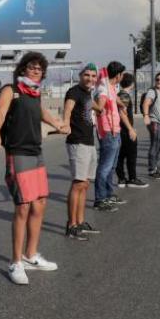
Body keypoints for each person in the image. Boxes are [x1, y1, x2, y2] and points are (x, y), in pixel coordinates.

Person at [0, 52, 69, 285]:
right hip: (18, 152)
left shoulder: (34, 92)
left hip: (36, 151)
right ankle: (15, 262)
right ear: (23, 68)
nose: (36, 71)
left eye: (39, 69)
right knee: (23, 206)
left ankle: (31, 255)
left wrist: (57, 123)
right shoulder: (11, 90)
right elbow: (0, 113)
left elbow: (41, 112)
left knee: (40, 203)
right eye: (32, 67)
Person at [61, 63, 100, 241]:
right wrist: (65, 123)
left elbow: (93, 106)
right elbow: (68, 109)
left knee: (85, 184)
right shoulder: (74, 92)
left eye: (93, 76)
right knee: (78, 184)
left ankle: (80, 221)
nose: (90, 78)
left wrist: (102, 108)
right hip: (77, 142)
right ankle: (71, 225)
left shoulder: (87, 94)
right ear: (80, 76)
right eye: (87, 75)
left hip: (89, 142)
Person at [92, 61, 133, 212]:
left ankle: (108, 194)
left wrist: (121, 104)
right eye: (122, 74)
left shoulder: (111, 87)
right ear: (118, 75)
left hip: (115, 131)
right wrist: (99, 108)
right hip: (108, 132)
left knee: (112, 167)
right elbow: (100, 104)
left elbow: (114, 98)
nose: (123, 77)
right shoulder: (103, 88)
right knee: (105, 167)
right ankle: (100, 199)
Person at [116, 72, 149, 189]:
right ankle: (132, 179)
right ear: (132, 84)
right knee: (131, 154)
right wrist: (130, 129)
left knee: (121, 155)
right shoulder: (124, 95)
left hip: (120, 129)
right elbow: (122, 113)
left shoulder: (119, 94)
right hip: (125, 130)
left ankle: (121, 179)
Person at [141, 72, 160, 180]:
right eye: (157, 79)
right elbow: (146, 103)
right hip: (154, 122)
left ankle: (154, 166)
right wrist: (146, 115)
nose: (159, 81)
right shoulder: (152, 91)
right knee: (155, 145)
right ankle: (152, 170)